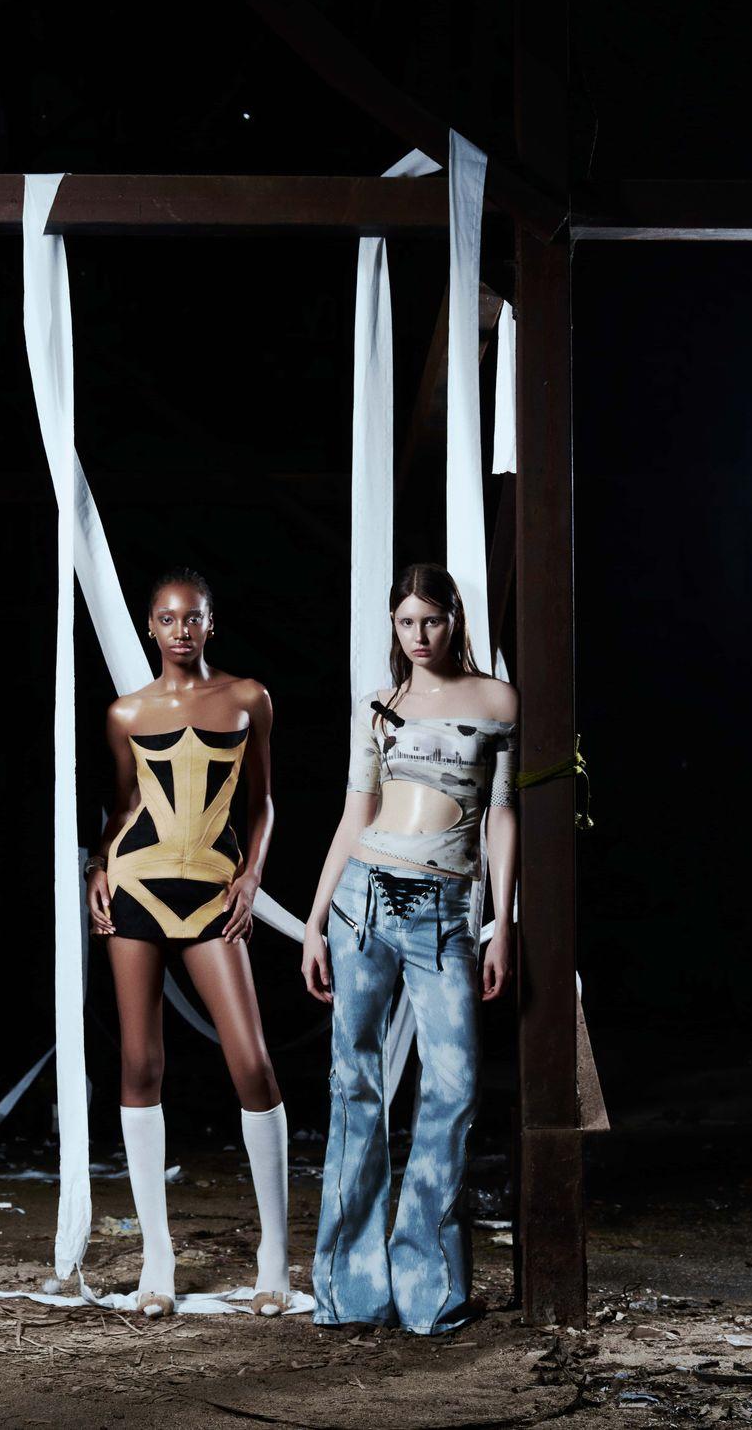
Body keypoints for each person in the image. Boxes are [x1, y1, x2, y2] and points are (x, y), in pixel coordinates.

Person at [302, 562, 518, 1335]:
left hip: (444, 911)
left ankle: (427, 1289)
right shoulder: (380, 706)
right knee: (353, 1084)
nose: (419, 635)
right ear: (393, 627)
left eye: (432, 620)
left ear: (454, 620)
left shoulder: (498, 701)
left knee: (453, 1087)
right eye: (406, 622)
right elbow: (354, 815)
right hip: (363, 900)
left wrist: (501, 923)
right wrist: (314, 920)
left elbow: (502, 816)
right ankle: (352, 1291)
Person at [85, 567, 291, 1318]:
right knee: (140, 1064)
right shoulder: (126, 712)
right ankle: (157, 1261)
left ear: (210, 623)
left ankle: (275, 1257)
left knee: (253, 1065)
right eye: (168, 619)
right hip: (135, 888)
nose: (180, 630)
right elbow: (123, 807)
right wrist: (95, 868)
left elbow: (263, 804)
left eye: (192, 617)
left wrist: (251, 878)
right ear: (151, 627)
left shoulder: (247, 697)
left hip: (212, 889)